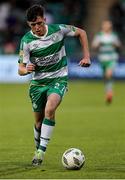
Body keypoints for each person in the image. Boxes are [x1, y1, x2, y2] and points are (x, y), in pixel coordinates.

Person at [18, 4, 91, 166]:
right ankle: (37, 148)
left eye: (39, 23)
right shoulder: (26, 41)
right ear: (29, 25)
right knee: (38, 122)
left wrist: (86, 56)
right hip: (37, 84)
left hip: (59, 79)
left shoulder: (59, 30)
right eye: (33, 25)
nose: (37, 27)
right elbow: (20, 69)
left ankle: (41, 152)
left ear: (44, 19)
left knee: (50, 110)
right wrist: (26, 69)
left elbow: (82, 32)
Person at [92, 20, 121, 103]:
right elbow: (94, 46)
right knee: (106, 77)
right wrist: (99, 44)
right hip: (102, 58)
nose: (106, 26)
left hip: (112, 57)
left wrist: (114, 44)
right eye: (105, 25)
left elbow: (118, 45)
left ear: (110, 26)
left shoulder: (113, 35)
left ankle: (109, 92)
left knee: (109, 74)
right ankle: (108, 91)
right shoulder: (99, 35)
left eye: (108, 25)